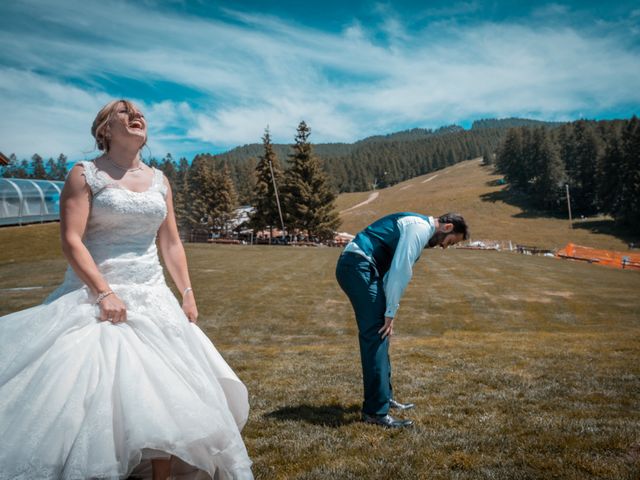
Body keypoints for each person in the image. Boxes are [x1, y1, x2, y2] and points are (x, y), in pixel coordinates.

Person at [0, 100, 253, 479]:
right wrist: (105, 293)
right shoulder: (85, 174)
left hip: (153, 295)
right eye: (124, 112)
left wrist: (186, 291)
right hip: (97, 294)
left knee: (165, 391)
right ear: (105, 129)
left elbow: (170, 243)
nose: (136, 116)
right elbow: (72, 240)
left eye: (140, 114)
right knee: (102, 390)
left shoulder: (160, 181)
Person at [335, 212, 468, 428]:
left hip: (362, 267)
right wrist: (390, 312)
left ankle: (383, 398)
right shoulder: (419, 228)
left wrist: (389, 310)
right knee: (376, 336)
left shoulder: (418, 227)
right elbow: (400, 270)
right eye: (450, 242)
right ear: (447, 227)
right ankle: (375, 413)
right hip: (357, 267)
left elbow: (391, 273)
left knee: (382, 333)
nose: (444, 247)